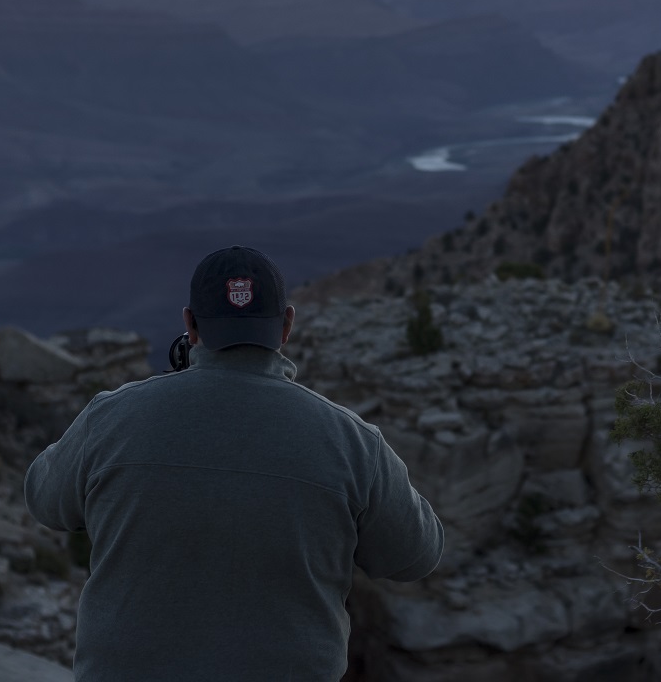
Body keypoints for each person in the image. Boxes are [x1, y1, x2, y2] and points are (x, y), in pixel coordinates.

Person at [25, 245, 444, 681]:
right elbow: (416, 555)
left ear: (190, 324)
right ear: (286, 325)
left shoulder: (111, 417)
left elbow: (44, 500)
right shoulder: (353, 442)